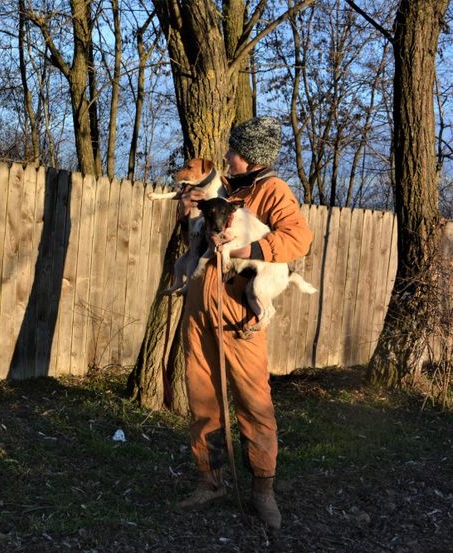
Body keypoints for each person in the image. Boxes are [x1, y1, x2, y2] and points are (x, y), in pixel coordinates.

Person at [176, 116, 313, 531]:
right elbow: (199, 243)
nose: (227, 157)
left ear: (251, 157)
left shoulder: (272, 190)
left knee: (254, 401)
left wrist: (251, 246)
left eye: (234, 151)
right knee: (201, 395)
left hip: (240, 311)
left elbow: (298, 238)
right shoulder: (221, 190)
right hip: (200, 306)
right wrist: (188, 216)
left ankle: (262, 489)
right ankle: (210, 478)